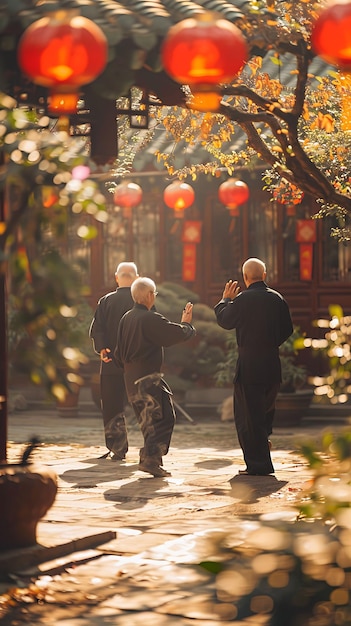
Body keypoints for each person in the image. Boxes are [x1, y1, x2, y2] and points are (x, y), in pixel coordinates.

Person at [214, 257, 293, 476]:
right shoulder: (277, 299)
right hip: (271, 363)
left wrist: (225, 301)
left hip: (249, 365)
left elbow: (225, 321)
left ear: (245, 277)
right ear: (265, 275)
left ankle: (259, 465)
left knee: (249, 416)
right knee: (264, 412)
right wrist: (269, 343)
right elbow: (288, 330)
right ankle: (261, 450)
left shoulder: (242, 300)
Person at [115, 277, 196, 478]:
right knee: (164, 417)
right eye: (155, 294)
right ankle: (150, 459)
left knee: (149, 420)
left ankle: (149, 460)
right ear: (150, 295)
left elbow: (118, 353)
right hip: (147, 377)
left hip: (130, 376)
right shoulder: (149, 318)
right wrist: (186, 325)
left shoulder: (126, 317)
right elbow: (173, 334)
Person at [89, 261, 139, 460]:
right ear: (136, 277)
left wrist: (102, 349)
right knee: (146, 406)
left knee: (111, 406)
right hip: (136, 362)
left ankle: (117, 448)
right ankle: (153, 452)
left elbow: (97, 329)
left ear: (116, 277)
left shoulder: (106, 300)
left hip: (110, 360)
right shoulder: (142, 299)